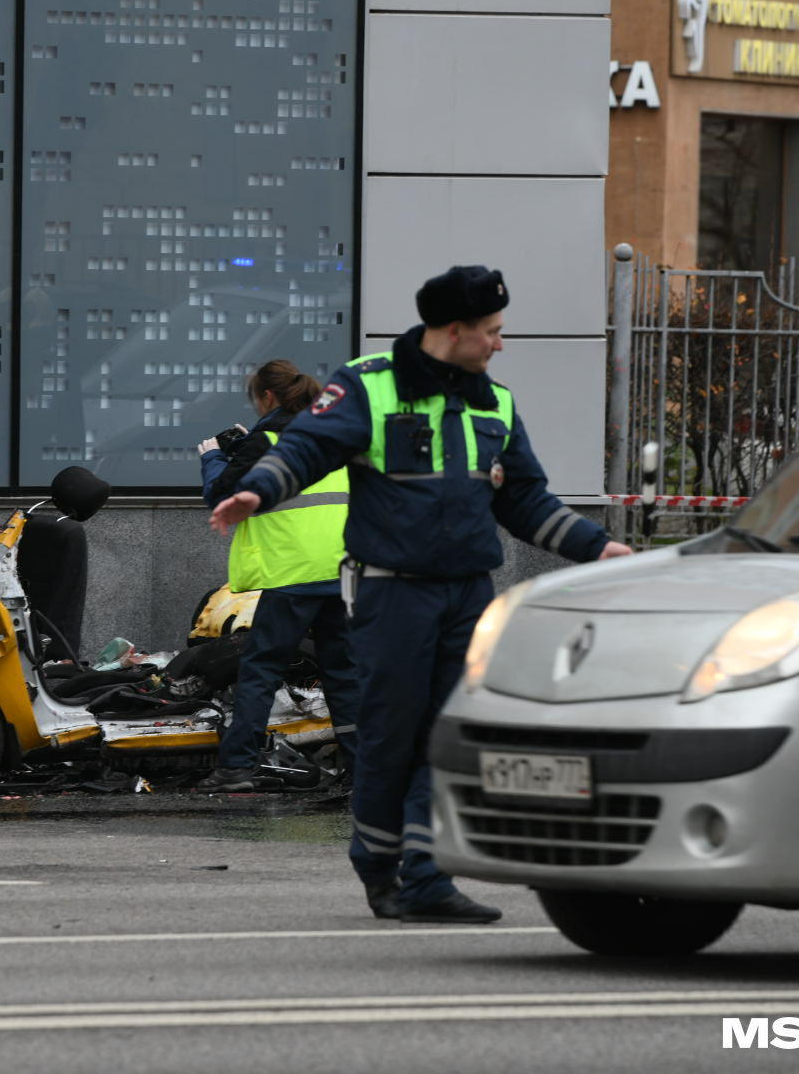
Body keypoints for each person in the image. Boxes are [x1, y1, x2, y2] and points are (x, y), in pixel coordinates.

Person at [210, 266, 632, 923]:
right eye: (491, 332)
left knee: (449, 735)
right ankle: (379, 867)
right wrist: (258, 490)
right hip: (392, 595)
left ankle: (429, 877)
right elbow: (307, 447)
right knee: (391, 738)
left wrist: (593, 544)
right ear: (455, 331)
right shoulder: (367, 386)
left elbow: (522, 497)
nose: (500, 344)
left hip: (468, 592)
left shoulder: (495, 403)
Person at [194, 360, 358, 791]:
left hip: (293, 573)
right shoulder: (334, 435)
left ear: (268, 397)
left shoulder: (265, 439)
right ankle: (361, 771)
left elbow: (220, 494)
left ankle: (236, 768)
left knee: (261, 669)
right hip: (341, 572)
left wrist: (213, 456)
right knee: (343, 673)